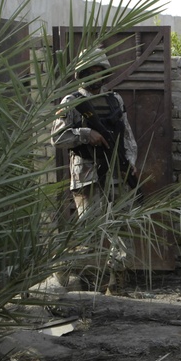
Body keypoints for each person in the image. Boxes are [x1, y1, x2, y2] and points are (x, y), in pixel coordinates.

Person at [51, 46, 139, 295]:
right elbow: (57, 138)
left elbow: (128, 135)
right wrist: (85, 134)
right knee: (89, 232)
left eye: (100, 71)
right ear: (81, 73)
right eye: (90, 71)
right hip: (87, 175)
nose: (96, 76)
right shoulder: (71, 102)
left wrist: (130, 161)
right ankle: (64, 268)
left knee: (122, 228)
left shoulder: (115, 100)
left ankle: (116, 282)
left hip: (116, 172)